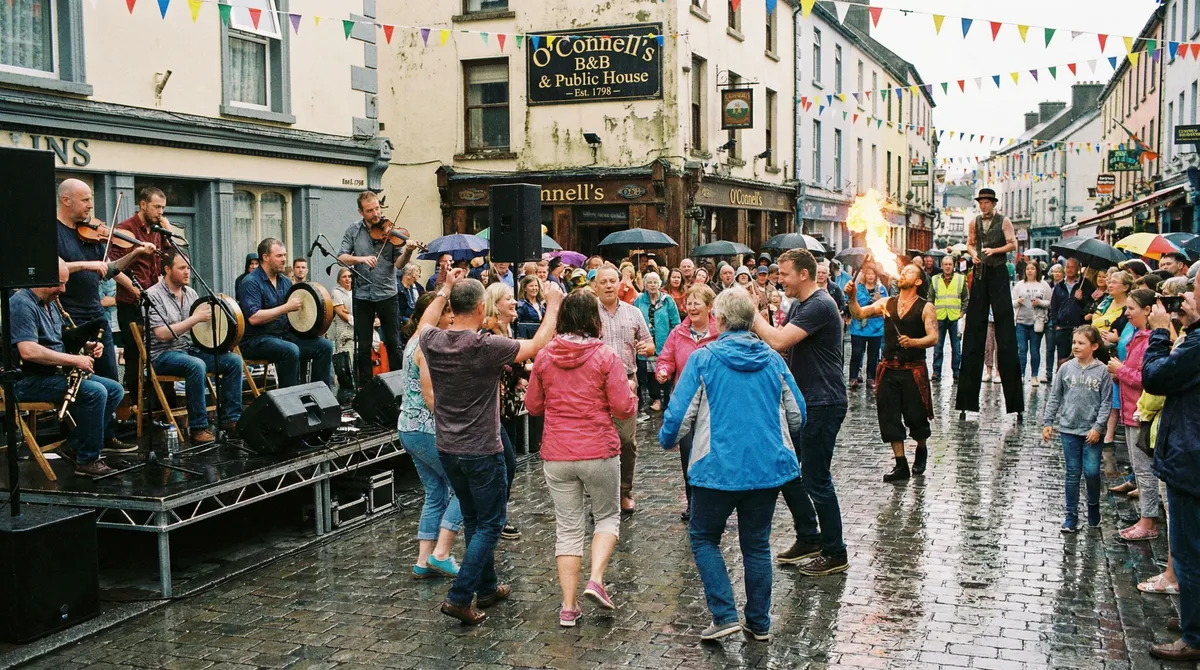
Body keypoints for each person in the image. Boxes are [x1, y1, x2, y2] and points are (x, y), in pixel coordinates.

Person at [416, 269, 563, 625]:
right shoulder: (485, 346)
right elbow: (536, 344)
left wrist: (444, 289)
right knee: (491, 523)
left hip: (448, 447)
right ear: (482, 308)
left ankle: (487, 586)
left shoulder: (433, 340)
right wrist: (554, 306)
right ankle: (459, 596)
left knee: (473, 519)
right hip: (481, 449)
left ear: (453, 306)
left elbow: (424, 323)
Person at [660, 289, 805, 642]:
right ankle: (759, 622)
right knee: (756, 545)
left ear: (719, 320)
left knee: (704, 537)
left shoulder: (703, 359)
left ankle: (724, 614)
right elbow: (798, 414)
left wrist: (666, 440)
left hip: (716, 469)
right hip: (766, 469)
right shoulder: (773, 360)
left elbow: (679, 417)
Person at [525, 291, 638, 627]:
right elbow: (622, 408)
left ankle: (568, 607)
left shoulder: (545, 356)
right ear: (594, 319)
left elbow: (532, 406)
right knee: (606, 517)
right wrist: (629, 394)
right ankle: (596, 579)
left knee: (568, 529)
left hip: (557, 453)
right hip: (598, 450)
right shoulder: (605, 356)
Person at [752, 248, 849, 575]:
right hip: (805, 400)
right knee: (792, 471)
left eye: (785, 275)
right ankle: (809, 536)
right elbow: (779, 345)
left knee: (817, 478)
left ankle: (835, 552)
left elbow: (779, 342)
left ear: (803, 274)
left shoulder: (820, 304)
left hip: (823, 401)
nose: (781, 281)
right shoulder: (801, 305)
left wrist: (751, 316)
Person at [10, 259, 126, 477]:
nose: (63, 290)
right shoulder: (21, 303)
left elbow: (58, 338)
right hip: (27, 380)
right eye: (60, 284)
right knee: (96, 392)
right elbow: (28, 351)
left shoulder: (50, 302)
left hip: (53, 374)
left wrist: (88, 345)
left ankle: (75, 445)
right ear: (44, 279)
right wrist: (73, 360)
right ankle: (87, 460)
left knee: (114, 389)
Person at [55, 178, 156, 391]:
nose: (90, 205)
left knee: (110, 380)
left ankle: (109, 424)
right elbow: (54, 270)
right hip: (69, 316)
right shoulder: (52, 233)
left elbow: (109, 269)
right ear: (66, 200)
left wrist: (136, 252)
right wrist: (86, 265)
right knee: (79, 383)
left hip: (96, 315)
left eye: (90, 200)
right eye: (85, 200)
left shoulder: (91, 233)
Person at [1144, 283, 1200, 661]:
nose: (1187, 299)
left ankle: (1194, 636)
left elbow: (1156, 376)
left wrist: (1160, 333)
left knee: (1189, 552)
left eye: (1194, 292)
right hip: (1188, 452)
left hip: (1191, 458)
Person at [848, 264, 939, 482]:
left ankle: (921, 447)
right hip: (888, 369)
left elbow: (933, 337)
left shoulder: (925, 307)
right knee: (889, 416)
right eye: (903, 271)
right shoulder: (887, 302)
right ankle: (900, 464)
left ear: (918, 282)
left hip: (913, 371)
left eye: (909, 272)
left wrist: (914, 342)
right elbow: (859, 313)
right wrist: (852, 297)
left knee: (916, 418)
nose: (903, 273)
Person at [145, 249, 244, 443]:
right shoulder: (153, 295)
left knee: (233, 361)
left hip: (190, 349)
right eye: (182, 268)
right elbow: (161, 334)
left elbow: (200, 331)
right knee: (196, 365)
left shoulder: (190, 293)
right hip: (163, 355)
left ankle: (230, 419)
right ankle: (198, 427)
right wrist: (195, 319)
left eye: (188, 267)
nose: (187, 272)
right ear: (167, 269)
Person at [398, 292, 462, 581]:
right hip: (426, 430)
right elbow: (430, 397)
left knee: (435, 493)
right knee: (464, 487)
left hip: (408, 429)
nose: (452, 318)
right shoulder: (427, 348)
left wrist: (446, 288)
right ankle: (441, 553)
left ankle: (423, 561)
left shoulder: (418, 337)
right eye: (448, 313)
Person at [337, 191, 418, 387]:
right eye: (369, 210)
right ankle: (365, 388)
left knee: (393, 343)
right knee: (363, 345)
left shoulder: (390, 231)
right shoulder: (353, 230)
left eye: (377, 209)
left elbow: (398, 264)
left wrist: (407, 251)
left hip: (387, 293)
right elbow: (341, 257)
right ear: (360, 211)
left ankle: (399, 387)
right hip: (363, 294)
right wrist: (360, 259)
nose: (376, 214)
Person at [591, 267, 655, 513]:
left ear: (620, 284)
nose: (608, 285)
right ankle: (601, 496)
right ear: (595, 286)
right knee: (597, 442)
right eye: (603, 281)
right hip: (594, 385)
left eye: (612, 281)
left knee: (626, 441)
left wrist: (646, 348)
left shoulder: (633, 312)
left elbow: (650, 344)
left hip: (626, 382)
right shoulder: (588, 312)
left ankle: (624, 491)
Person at [957, 188, 1023, 417]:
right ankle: (966, 400)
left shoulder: (1004, 221)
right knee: (974, 329)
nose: (983, 205)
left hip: (998, 273)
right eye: (981, 202)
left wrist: (994, 250)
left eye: (987, 202)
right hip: (981, 272)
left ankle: (1014, 402)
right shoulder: (974, 222)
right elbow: (970, 243)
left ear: (993, 203)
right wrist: (973, 254)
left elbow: (1013, 245)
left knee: (1005, 330)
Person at [655, 285, 719, 520]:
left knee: (712, 452)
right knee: (688, 453)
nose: (691, 308)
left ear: (709, 306)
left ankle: (713, 501)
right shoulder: (678, 333)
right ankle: (693, 503)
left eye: (696, 303)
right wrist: (663, 370)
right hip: (685, 402)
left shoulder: (719, 331)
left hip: (714, 403)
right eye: (689, 303)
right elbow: (666, 358)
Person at [1042, 325, 1112, 533]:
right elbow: (1055, 396)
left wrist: (1098, 428)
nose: (1076, 346)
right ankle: (1071, 516)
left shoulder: (1102, 372)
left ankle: (1093, 509)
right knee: (1072, 473)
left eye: (1081, 343)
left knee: (1091, 472)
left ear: (1094, 346)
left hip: (1091, 432)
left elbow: (1106, 402)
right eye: (1074, 342)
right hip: (1069, 429)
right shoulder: (1065, 368)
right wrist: (1048, 422)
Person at [238, 238, 334, 389]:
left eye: (284, 255)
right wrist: (286, 307)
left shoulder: (285, 281)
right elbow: (254, 318)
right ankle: (291, 404)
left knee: (324, 346)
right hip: (257, 340)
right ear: (265, 257)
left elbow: (293, 315)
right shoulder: (250, 282)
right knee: (290, 350)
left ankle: (320, 399)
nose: (284, 260)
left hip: (283, 336)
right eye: (279, 256)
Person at [1108, 289, 1160, 542]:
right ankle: (1144, 518)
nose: (1126, 313)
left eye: (1131, 308)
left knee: (1145, 471)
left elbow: (1148, 379)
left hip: (1141, 412)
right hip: (1130, 410)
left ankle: (1149, 521)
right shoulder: (1139, 336)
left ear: (1148, 310)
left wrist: (1121, 370)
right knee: (1139, 470)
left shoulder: (1152, 339)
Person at [110, 186, 172, 394]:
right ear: (143, 205)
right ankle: (137, 404)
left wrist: (167, 228)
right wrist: (132, 289)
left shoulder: (157, 230)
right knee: (134, 354)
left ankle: (161, 403)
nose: (160, 212)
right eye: (157, 207)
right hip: (131, 301)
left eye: (163, 208)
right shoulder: (124, 229)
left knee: (161, 349)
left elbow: (169, 258)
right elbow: (113, 266)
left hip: (154, 300)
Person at [482, 282, 526, 540]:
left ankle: (497, 515)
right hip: (491, 411)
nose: (514, 302)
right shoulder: (489, 334)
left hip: (507, 409)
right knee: (506, 464)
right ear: (495, 305)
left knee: (508, 465)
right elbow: (511, 366)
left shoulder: (509, 329)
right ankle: (495, 518)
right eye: (508, 298)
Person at [633, 272, 680, 414]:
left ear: (660, 284)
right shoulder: (639, 301)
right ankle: (655, 399)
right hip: (645, 345)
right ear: (645, 285)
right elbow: (633, 321)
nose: (652, 285)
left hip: (664, 345)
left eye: (655, 282)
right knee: (647, 375)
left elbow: (676, 323)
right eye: (649, 282)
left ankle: (666, 400)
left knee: (665, 373)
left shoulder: (667, 300)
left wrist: (672, 341)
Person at [1049, 257, 1094, 373]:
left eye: (1073, 267)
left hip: (1079, 327)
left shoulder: (1085, 285)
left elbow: (1090, 306)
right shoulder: (1059, 286)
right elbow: (1053, 307)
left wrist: (1081, 299)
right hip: (1062, 328)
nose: (1069, 270)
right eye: (1067, 267)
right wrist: (1056, 325)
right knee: (1062, 359)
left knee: (1078, 358)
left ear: (1078, 269)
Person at [848, 262, 888, 390]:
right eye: (868, 274)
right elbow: (855, 303)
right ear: (864, 275)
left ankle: (871, 378)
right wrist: (871, 301)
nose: (871, 276)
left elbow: (886, 304)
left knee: (873, 355)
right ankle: (853, 377)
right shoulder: (858, 288)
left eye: (873, 274)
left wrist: (879, 301)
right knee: (856, 353)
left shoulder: (881, 289)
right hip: (859, 328)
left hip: (876, 328)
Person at [1013, 262, 1052, 386]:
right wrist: (1018, 301)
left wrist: (1040, 302)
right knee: (1022, 350)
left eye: (1032, 269)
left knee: (1035, 350)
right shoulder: (1019, 285)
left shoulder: (1043, 285)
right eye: (1027, 269)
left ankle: (1034, 375)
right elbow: (1012, 302)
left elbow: (1049, 303)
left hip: (1037, 322)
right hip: (1021, 322)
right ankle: (1021, 374)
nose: (1029, 271)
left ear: (1037, 270)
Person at [931, 255, 968, 382]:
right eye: (945, 264)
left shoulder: (960, 279)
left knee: (956, 347)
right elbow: (930, 298)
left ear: (954, 266)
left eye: (950, 264)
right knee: (937, 346)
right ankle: (936, 372)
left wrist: (962, 312)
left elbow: (965, 298)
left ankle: (956, 372)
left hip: (955, 317)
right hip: (939, 316)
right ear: (942, 266)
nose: (947, 266)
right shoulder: (935, 279)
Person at [329, 268, 356, 403]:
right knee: (346, 367)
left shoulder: (356, 292)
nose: (347, 279)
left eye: (349, 276)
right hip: (345, 334)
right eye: (344, 277)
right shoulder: (336, 293)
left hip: (358, 333)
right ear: (339, 279)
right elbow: (342, 314)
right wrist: (355, 317)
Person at [1044, 263, 1065, 383]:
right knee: (1049, 348)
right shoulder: (1048, 285)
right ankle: (1048, 373)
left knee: (1061, 349)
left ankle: (1060, 373)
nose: (1056, 274)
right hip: (1050, 319)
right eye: (1055, 271)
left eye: (1059, 271)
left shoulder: (1065, 287)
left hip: (1061, 320)